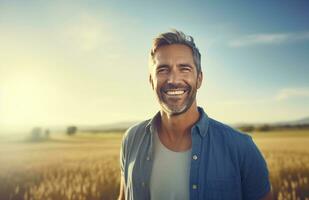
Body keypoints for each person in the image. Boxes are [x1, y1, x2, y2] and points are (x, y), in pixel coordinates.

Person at [118, 30, 272, 200]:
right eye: (163, 70)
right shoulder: (131, 139)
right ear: (151, 81)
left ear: (199, 79)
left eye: (184, 69)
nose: (173, 80)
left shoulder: (241, 148)